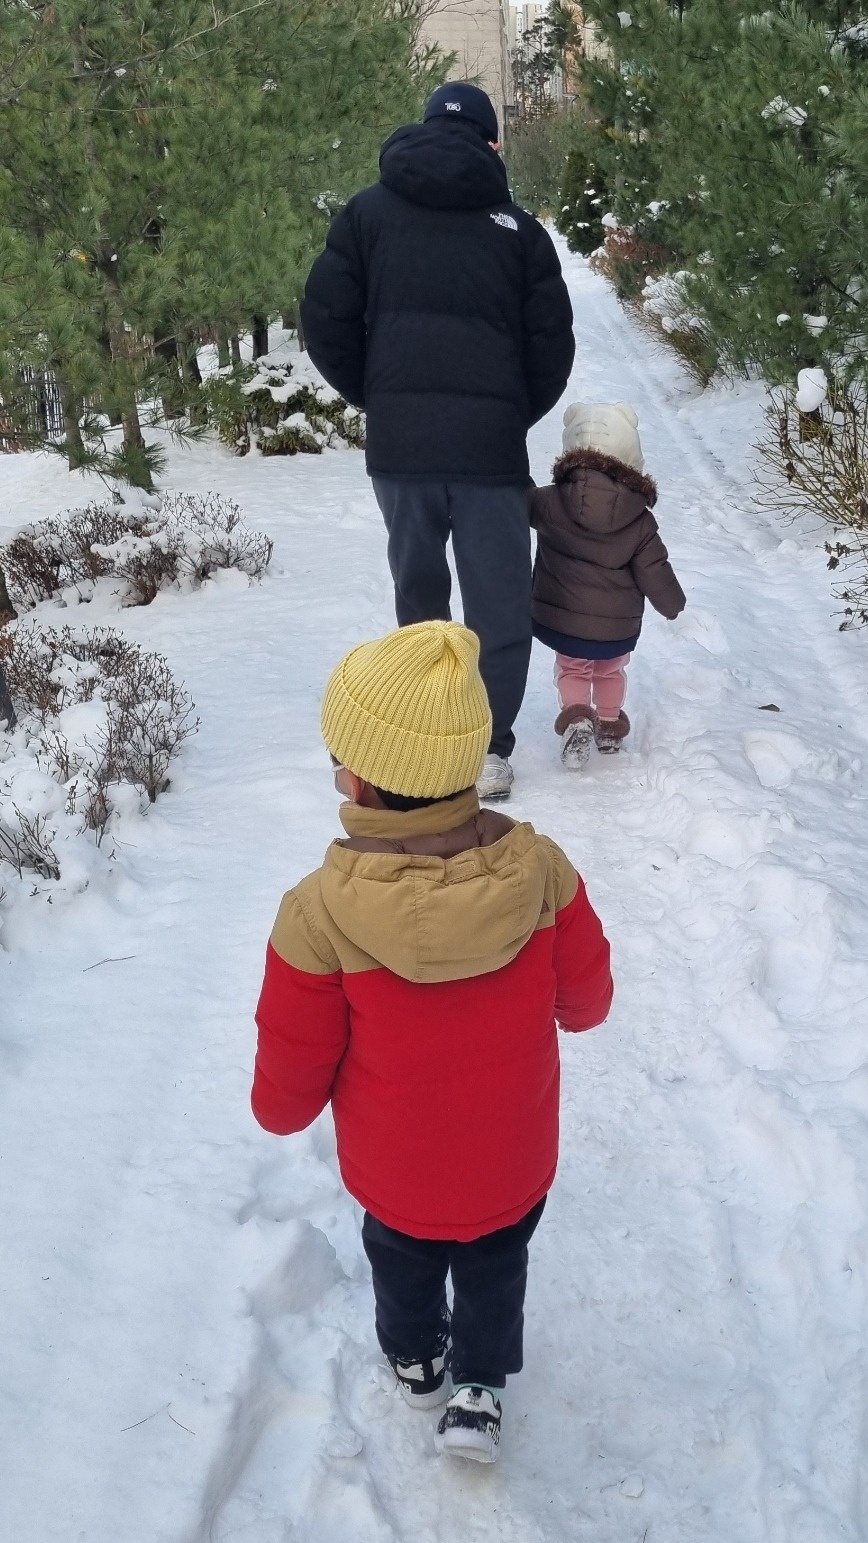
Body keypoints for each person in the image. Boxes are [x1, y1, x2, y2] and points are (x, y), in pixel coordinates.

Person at [251, 621, 612, 1464]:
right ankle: (481, 1388)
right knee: (495, 1265)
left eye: (339, 756)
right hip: (511, 1161)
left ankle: (417, 1361)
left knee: (401, 1259)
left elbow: (292, 1062)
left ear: (367, 783)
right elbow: (588, 998)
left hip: (395, 1170)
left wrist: (279, 1109)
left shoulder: (316, 914)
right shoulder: (543, 874)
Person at [300, 82, 576, 802]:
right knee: (498, 602)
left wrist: (381, 399)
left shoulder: (364, 214)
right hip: (490, 453)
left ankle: (424, 742)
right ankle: (486, 749)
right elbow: (552, 346)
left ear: (420, 130)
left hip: (401, 453)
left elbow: (325, 320)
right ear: (492, 144)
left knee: (418, 590)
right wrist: (510, 411)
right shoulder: (518, 230)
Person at [530, 403, 686, 767]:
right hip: (617, 626)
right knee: (610, 670)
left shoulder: (549, 502)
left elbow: (515, 505)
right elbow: (655, 569)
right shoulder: (639, 518)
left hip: (564, 621)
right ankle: (610, 726)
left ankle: (577, 719)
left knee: (573, 669)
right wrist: (673, 605)